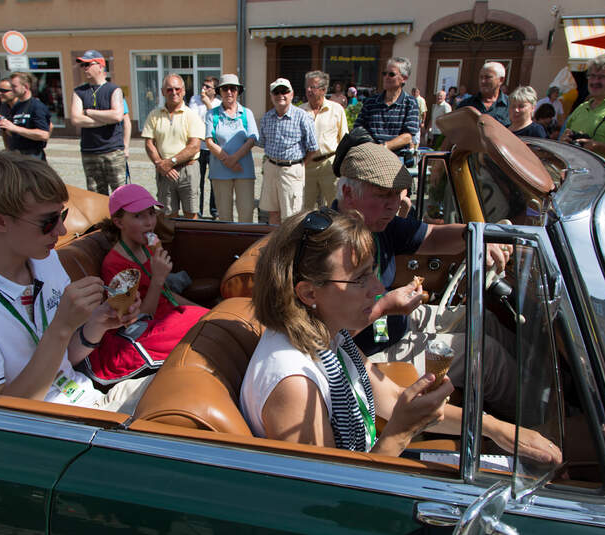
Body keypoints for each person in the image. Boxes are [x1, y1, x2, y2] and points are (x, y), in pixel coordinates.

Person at [240, 207, 562, 463]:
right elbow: (334, 504)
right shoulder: (294, 383)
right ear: (309, 293)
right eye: (361, 279)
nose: (379, 289)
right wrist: (399, 434)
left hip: (371, 462)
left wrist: (501, 430)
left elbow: (392, 399)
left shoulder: (327, 338)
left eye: (373, 273)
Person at [0, 152, 153, 412]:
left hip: (89, 399)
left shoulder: (46, 262)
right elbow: (0, 414)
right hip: (51, 424)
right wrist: (61, 327)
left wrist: (99, 323)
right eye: (48, 222)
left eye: (61, 216)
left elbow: (65, 358)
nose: (62, 231)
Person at [331, 131, 517, 420]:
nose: (393, 205)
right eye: (382, 195)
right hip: (364, 351)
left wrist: (478, 235)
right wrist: (385, 306)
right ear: (347, 193)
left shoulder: (378, 224)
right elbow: (330, 337)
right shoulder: (332, 247)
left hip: (394, 324)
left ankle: (543, 388)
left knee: (484, 321)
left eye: (397, 195)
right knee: (486, 355)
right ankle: (540, 427)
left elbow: (432, 237)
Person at [81, 183, 209, 385]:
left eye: (151, 213)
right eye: (138, 216)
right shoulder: (115, 265)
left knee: (211, 318)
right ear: (118, 222)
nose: (149, 222)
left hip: (169, 316)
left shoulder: (148, 249)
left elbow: (167, 295)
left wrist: (206, 311)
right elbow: (134, 320)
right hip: (146, 331)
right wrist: (158, 279)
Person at [257, 78, 319, 224]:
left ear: (291, 94)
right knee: (273, 212)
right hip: (271, 168)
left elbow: (313, 148)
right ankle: (274, 245)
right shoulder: (267, 117)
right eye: (276, 92)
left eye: (284, 91)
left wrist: (298, 164)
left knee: (292, 217)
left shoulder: (302, 116)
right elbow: (262, 143)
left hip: (291, 171)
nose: (280, 95)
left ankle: (290, 246)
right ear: (271, 96)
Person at [142, 74, 203, 219]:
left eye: (177, 89)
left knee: (191, 213)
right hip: (164, 172)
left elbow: (194, 146)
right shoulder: (154, 115)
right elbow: (149, 143)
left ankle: (192, 241)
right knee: (167, 215)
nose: (174, 92)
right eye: (169, 89)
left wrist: (170, 163)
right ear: (163, 92)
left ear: (183, 91)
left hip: (188, 170)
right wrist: (160, 164)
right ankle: (170, 242)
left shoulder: (192, 115)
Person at [70, 50, 126, 196]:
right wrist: (105, 120)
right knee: (95, 195)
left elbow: (117, 116)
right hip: (90, 152)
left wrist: (89, 112)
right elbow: (76, 119)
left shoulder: (113, 89)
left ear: (101, 66)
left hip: (112, 151)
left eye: (88, 64)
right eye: (82, 65)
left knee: (120, 194)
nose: (84, 68)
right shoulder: (79, 92)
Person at [204, 74, 259, 222]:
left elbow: (252, 139)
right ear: (219, 91)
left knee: (246, 214)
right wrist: (227, 160)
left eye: (233, 89)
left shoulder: (247, 113)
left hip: (244, 170)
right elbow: (209, 141)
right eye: (225, 89)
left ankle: (245, 245)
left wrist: (233, 159)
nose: (229, 92)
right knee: (224, 216)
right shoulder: (212, 114)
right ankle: (227, 245)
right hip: (220, 172)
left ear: (238, 91)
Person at [353, 57, 420, 167]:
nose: (386, 77)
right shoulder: (371, 102)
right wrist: (370, 148)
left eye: (391, 74)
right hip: (369, 160)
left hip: (396, 161)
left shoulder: (410, 103)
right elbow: (358, 128)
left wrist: (384, 147)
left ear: (404, 78)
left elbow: (407, 136)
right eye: (384, 73)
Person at [299, 71, 348, 209]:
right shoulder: (300, 111)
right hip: (307, 166)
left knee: (335, 206)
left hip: (329, 165)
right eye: (307, 87)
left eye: (312, 87)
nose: (308, 90)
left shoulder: (336, 109)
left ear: (324, 90)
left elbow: (344, 139)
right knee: (304, 208)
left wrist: (343, 166)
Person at [0, 72, 51, 161]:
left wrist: (14, 128)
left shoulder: (36, 106)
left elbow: (44, 134)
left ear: (26, 87)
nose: (12, 89)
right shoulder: (16, 107)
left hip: (33, 156)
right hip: (17, 154)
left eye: (14, 86)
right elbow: (14, 133)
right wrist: (6, 126)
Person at [188, 76, 221, 218]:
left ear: (215, 90)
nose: (204, 89)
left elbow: (216, 122)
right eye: (203, 85)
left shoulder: (219, 103)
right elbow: (193, 120)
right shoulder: (194, 100)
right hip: (198, 147)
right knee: (197, 181)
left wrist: (208, 104)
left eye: (208, 87)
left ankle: (214, 211)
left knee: (214, 180)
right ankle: (198, 211)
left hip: (213, 147)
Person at [457, 62, 510, 127]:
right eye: (481, 77)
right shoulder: (465, 105)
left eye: (487, 77)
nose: (483, 81)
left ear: (501, 80)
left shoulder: (511, 106)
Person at [0, 77, 17, 150]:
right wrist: (7, 148)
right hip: (13, 151)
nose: (0, 93)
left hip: (28, 153)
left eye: (4, 91)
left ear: (15, 91)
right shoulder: (4, 107)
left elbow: (49, 126)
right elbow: (4, 131)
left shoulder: (26, 106)